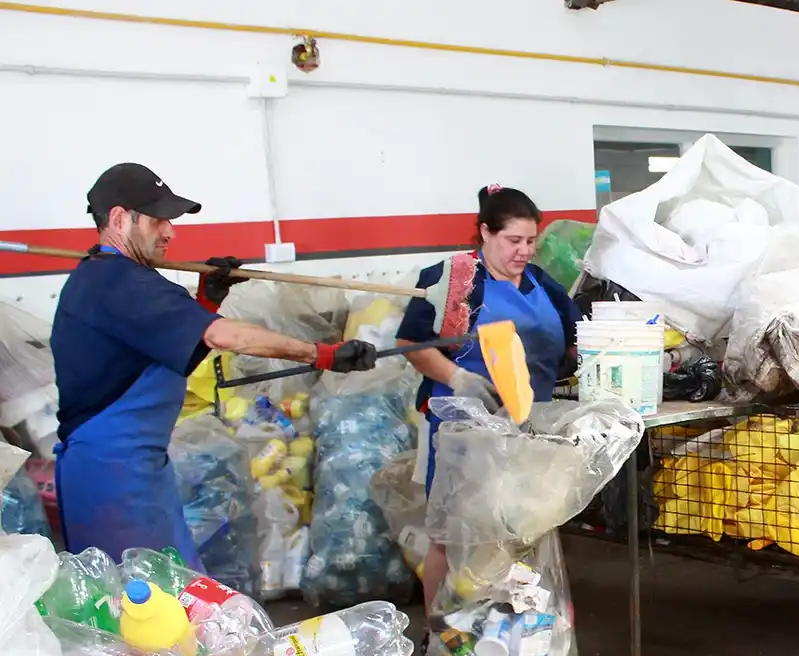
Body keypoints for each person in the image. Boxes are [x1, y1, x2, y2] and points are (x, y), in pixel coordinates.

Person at [51, 162, 380, 566]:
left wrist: (207, 302)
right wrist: (322, 354)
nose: (170, 232)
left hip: (137, 469)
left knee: (175, 593)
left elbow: (169, 356)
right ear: (120, 219)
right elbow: (226, 336)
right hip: (112, 479)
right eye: (158, 221)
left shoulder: (114, 281)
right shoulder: (120, 282)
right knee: (141, 607)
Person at [397, 185, 581, 609]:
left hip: (525, 427)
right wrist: (458, 377)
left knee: (523, 530)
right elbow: (411, 341)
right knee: (450, 533)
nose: (524, 251)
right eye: (513, 240)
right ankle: (443, 632)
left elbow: (574, 340)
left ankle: (521, 625)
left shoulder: (541, 283)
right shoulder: (453, 280)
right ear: (485, 232)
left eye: (531, 241)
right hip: (461, 428)